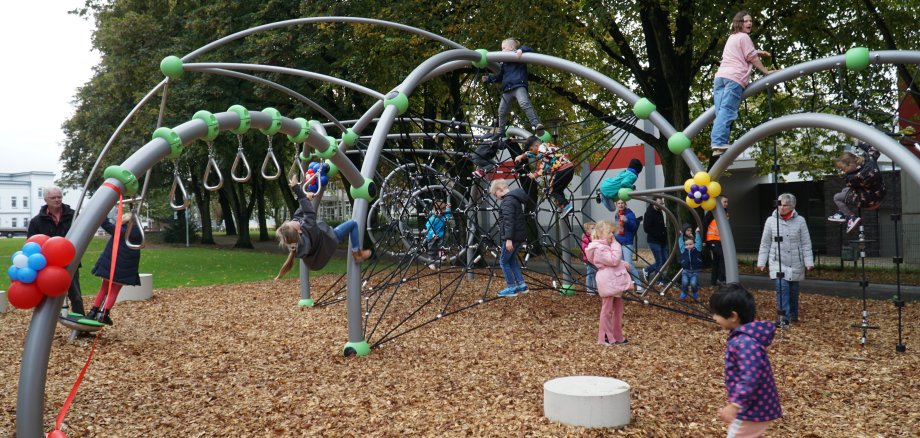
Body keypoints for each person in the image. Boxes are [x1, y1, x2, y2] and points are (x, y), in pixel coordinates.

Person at [709, 283, 782, 437]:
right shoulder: (745, 338)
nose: (714, 317)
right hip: (756, 406)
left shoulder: (745, 343)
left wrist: (735, 405)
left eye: (716, 314)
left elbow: (750, 377)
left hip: (751, 409)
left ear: (733, 316)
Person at [275, 175, 372, 279]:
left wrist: (306, 198)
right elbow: (308, 211)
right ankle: (357, 254)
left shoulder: (295, 239)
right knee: (352, 224)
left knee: (300, 218)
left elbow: (298, 215)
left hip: (315, 259)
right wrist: (296, 188)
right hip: (329, 240)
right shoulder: (309, 227)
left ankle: (356, 253)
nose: (293, 221)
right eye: (292, 223)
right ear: (298, 231)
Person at [710, 11, 774, 156]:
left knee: (720, 112)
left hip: (720, 78)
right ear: (739, 23)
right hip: (734, 78)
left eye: (751, 21)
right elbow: (750, 56)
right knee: (727, 110)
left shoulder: (732, 38)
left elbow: (742, 52)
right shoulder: (745, 37)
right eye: (746, 21)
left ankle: (717, 147)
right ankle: (719, 142)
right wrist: (765, 71)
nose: (750, 23)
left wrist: (758, 52)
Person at [756, 193, 814, 326]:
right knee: (782, 288)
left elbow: (806, 242)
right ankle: (783, 318)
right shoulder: (771, 221)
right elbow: (765, 243)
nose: (782, 207)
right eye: (780, 204)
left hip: (795, 261)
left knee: (793, 291)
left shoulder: (800, 221)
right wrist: (761, 261)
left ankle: (793, 314)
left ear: (792, 206)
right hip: (777, 261)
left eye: (785, 205)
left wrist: (808, 261)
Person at [28, 186, 85, 316]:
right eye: (53, 198)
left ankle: (81, 327)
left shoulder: (74, 215)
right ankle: (45, 327)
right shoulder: (37, 221)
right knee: (48, 296)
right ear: (45, 200)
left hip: (70, 261)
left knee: (75, 295)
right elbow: (31, 243)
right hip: (47, 265)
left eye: (59, 197)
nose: (57, 200)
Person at [87, 213, 143, 325]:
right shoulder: (139, 235)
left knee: (104, 289)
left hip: (111, 265)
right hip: (125, 269)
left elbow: (105, 223)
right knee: (114, 291)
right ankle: (105, 314)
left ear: (125, 222)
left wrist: (105, 212)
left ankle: (93, 312)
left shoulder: (120, 231)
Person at [482, 38, 544, 136]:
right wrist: (489, 79)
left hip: (518, 85)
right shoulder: (504, 64)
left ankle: (536, 124)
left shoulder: (519, 56)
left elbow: (530, 49)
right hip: (507, 89)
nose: (502, 51)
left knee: (524, 103)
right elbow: (500, 76)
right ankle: (501, 131)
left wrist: (521, 50)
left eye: (503, 48)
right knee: (501, 110)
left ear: (511, 48)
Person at [584, 220, 632, 346]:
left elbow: (612, 262)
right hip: (607, 281)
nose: (612, 235)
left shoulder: (605, 246)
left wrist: (622, 264)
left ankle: (616, 335)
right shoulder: (599, 248)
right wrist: (617, 246)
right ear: (600, 233)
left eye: (613, 232)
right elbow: (613, 260)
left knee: (618, 308)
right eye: (609, 232)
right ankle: (604, 336)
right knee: (607, 309)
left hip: (613, 280)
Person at [827, 142, 886, 234]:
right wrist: (858, 142)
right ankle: (842, 211)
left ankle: (851, 217)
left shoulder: (852, 177)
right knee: (845, 191)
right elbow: (874, 149)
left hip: (868, 201)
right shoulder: (869, 160)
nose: (844, 172)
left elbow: (850, 186)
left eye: (843, 169)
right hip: (880, 194)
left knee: (837, 197)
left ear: (850, 165)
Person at [515, 136, 576, 217]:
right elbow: (533, 154)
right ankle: (563, 206)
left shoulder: (542, 151)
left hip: (562, 170)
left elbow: (544, 165)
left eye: (531, 149)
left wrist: (535, 175)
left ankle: (566, 206)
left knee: (552, 191)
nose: (531, 151)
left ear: (536, 145)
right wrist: (521, 156)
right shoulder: (547, 146)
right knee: (558, 190)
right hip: (570, 168)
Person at [490, 179, 529, 297]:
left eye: (495, 194)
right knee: (511, 260)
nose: (496, 197)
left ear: (499, 190)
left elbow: (509, 222)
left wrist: (508, 239)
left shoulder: (507, 202)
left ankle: (511, 287)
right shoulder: (514, 199)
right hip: (518, 236)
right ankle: (522, 285)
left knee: (503, 261)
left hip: (512, 237)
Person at [613, 199, 643, 292]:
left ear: (625, 204)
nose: (620, 205)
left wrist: (626, 220)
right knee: (620, 265)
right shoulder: (617, 214)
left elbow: (634, 227)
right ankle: (624, 285)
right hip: (618, 242)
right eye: (619, 203)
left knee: (629, 265)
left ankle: (639, 285)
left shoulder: (630, 214)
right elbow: (617, 227)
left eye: (622, 203)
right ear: (616, 204)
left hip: (627, 242)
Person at [704, 196, 730, 286]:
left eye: (727, 202)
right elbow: (705, 225)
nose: (726, 203)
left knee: (716, 260)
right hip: (712, 239)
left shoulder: (725, 213)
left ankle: (713, 281)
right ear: (719, 202)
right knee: (723, 257)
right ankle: (721, 278)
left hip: (719, 240)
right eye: (724, 202)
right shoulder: (712, 212)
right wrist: (704, 240)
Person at [642, 196, 667, 285]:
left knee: (665, 260)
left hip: (662, 240)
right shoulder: (649, 213)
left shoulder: (659, 211)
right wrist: (658, 234)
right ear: (653, 203)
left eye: (661, 204)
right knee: (659, 261)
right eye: (659, 203)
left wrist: (664, 233)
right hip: (654, 241)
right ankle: (659, 280)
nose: (660, 205)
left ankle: (648, 269)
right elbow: (646, 228)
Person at [424, 201, 452, 270]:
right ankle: (431, 262)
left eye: (443, 211)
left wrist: (448, 208)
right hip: (431, 236)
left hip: (440, 234)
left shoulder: (443, 216)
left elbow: (448, 215)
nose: (441, 213)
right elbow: (429, 227)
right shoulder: (433, 218)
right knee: (432, 249)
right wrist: (433, 234)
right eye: (440, 211)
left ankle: (442, 254)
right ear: (435, 211)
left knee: (442, 244)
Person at [679, 224, 703, 300]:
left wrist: (697, 233)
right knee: (685, 282)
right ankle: (684, 292)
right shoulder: (683, 249)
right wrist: (681, 236)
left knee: (693, 284)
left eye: (690, 244)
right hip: (685, 271)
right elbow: (680, 242)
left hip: (695, 271)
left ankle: (695, 292)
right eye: (686, 245)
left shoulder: (697, 248)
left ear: (694, 244)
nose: (688, 246)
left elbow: (698, 242)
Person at [580, 222, 597, 295]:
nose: (594, 230)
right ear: (587, 230)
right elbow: (584, 248)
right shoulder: (586, 238)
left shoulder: (594, 237)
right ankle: (589, 288)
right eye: (592, 228)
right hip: (588, 259)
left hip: (594, 258)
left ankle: (595, 287)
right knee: (590, 273)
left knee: (595, 273)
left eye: (595, 228)